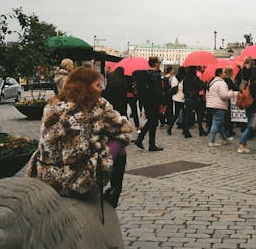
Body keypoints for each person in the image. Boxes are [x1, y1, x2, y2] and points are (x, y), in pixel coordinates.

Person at [25, 67, 133, 202]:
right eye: (97, 85)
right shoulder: (97, 106)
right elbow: (124, 128)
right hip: (80, 181)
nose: (101, 89)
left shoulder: (53, 105)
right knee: (120, 142)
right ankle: (114, 192)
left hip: (47, 177)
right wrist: (102, 139)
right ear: (85, 87)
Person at [132, 57, 164, 151]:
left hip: (146, 101)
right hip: (153, 101)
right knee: (153, 122)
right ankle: (150, 144)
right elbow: (158, 90)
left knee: (151, 121)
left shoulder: (146, 73)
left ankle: (141, 139)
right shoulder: (155, 75)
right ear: (155, 64)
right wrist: (163, 101)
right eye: (158, 62)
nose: (159, 63)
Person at [206, 68, 234, 146]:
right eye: (224, 72)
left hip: (211, 105)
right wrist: (231, 93)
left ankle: (224, 138)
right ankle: (212, 141)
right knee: (216, 123)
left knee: (220, 123)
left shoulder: (213, 82)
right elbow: (224, 95)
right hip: (219, 105)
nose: (225, 74)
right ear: (220, 74)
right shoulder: (222, 83)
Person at [168, 67, 186, 135]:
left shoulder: (174, 78)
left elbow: (172, 87)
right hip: (182, 98)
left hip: (175, 98)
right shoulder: (184, 79)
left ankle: (169, 128)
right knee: (184, 114)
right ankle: (184, 130)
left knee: (176, 114)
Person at [223, 66, 238, 136]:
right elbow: (234, 87)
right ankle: (228, 130)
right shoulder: (228, 80)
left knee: (227, 116)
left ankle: (228, 130)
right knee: (228, 116)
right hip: (227, 98)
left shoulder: (224, 80)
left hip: (225, 98)